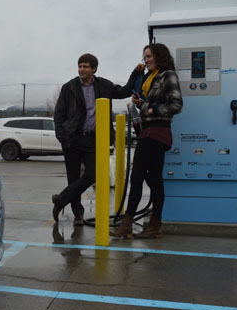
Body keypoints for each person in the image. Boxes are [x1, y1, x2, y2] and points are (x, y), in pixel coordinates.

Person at [52, 53, 137, 225]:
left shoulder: (104, 85)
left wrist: (136, 73)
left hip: (94, 140)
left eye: (85, 66)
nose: (81, 69)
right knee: (73, 177)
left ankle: (61, 200)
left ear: (94, 69)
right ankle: (78, 214)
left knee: (93, 174)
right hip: (73, 139)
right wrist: (62, 138)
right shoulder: (69, 87)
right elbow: (59, 114)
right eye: (80, 66)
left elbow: (125, 91)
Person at [111, 43, 183, 239]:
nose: (146, 60)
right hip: (148, 132)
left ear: (159, 56)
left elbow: (176, 104)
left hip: (157, 133)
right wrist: (142, 104)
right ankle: (146, 225)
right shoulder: (149, 78)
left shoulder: (168, 75)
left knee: (144, 179)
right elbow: (149, 99)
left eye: (149, 56)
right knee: (150, 179)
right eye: (145, 57)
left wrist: (152, 110)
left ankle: (141, 225)